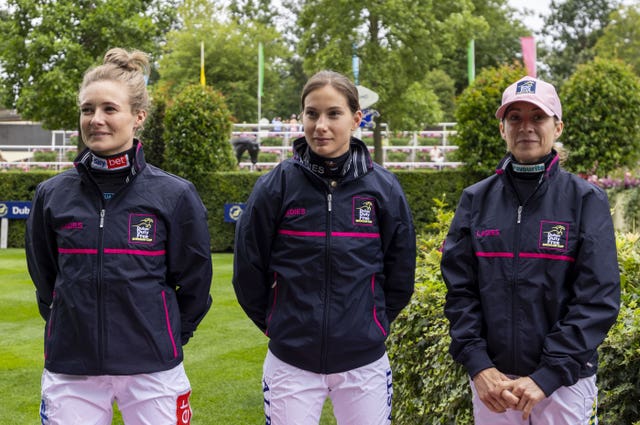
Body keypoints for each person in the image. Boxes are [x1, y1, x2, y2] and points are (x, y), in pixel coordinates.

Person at [25, 48, 213, 425]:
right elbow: (46, 280)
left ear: (138, 116)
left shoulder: (174, 194)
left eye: (109, 109)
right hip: (70, 367)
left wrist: (164, 335)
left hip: (153, 367)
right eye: (87, 109)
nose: (96, 120)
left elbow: (194, 284)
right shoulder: (51, 194)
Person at [233, 70, 416, 425]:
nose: (321, 125)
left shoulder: (384, 188)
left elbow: (400, 273)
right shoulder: (276, 186)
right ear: (301, 116)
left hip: (365, 364)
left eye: (334, 113)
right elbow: (247, 272)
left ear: (355, 118)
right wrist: (280, 325)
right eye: (311, 113)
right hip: (291, 363)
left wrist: (370, 324)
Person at [441, 76, 621, 424]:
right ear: (502, 129)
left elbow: (598, 299)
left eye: (538, 117)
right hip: (495, 387)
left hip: (564, 384)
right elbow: (459, 293)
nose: (526, 127)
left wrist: (548, 375)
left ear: (557, 127)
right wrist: (479, 366)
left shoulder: (585, 200)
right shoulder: (475, 200)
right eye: (515, 118)